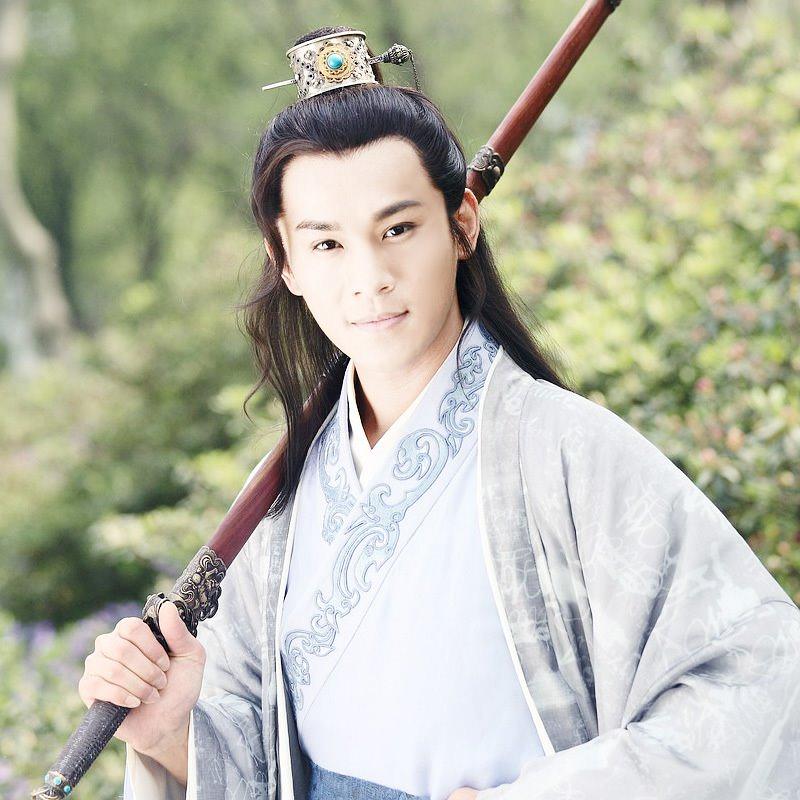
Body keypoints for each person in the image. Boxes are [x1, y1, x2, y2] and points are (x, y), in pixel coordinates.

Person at [77, 25, 800, 800]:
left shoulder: (566, 451)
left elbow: (758, 676)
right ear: (285, 261)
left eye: (398, 229)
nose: (370, 278)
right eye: (327, 245)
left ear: (461, 225)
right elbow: (268, 754)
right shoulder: (285, 491)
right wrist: (171, 734)